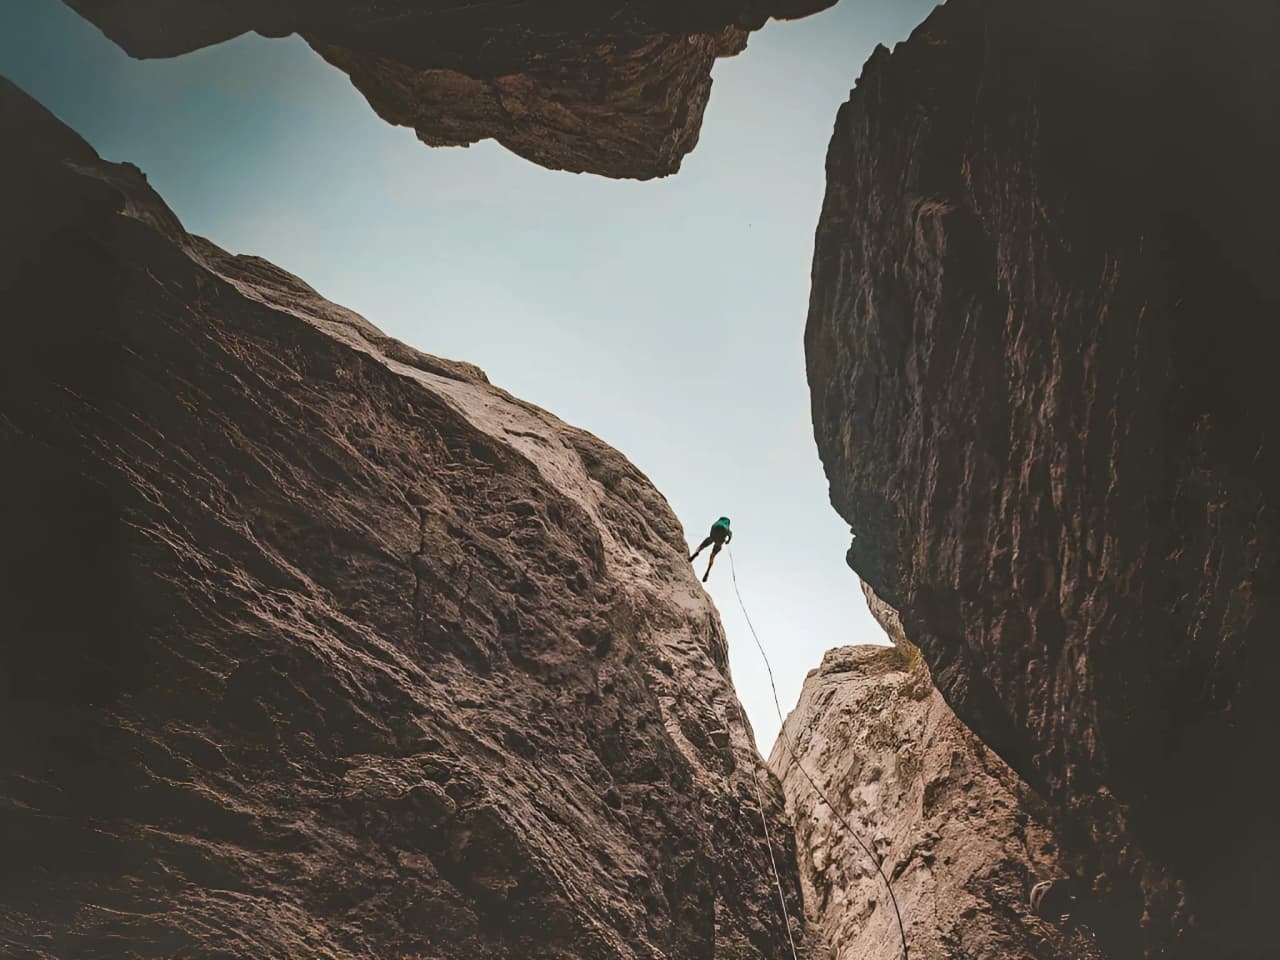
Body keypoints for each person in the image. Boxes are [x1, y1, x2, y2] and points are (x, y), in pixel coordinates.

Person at [689, 517, 732, 582]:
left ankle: (697, 552)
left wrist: (713, 535)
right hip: (719, 541)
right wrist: (727, 541)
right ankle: (707, 571)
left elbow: (712, 528)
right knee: (712, 556)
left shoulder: (717, 524)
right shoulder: (727, 529)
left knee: (701, 546)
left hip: (712, 536)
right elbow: (730, 537)